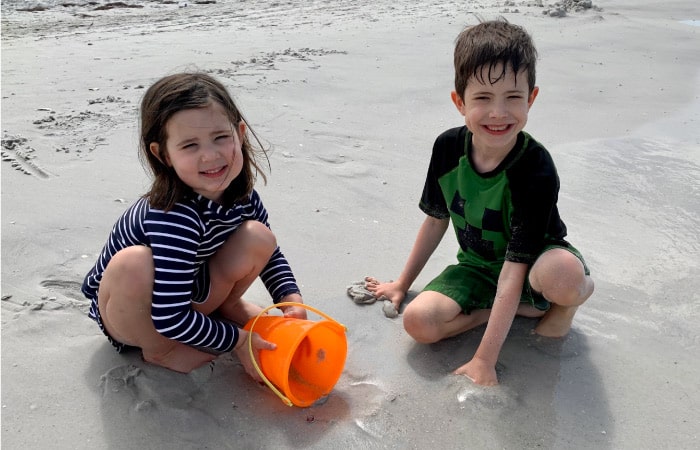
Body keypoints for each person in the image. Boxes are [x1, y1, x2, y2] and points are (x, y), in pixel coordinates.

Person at [366, 19, 594, 386]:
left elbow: (513, 270)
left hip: (534, 263)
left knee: (563, 278)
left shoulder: (534, 167)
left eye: (513, 97)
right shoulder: (447, 148)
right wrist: (401, 283)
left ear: (531, 98)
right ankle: (507, 311)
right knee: (418, 323)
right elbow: (436, 221)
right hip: (477, 266)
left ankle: (565, 300)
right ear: (460, 102)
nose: (498, 113)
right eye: (483, 98)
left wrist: (483, 360)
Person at [81, 72, 307, 379]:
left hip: (184, 292)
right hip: (132, 312)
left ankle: (225, 308)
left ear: (239, 134)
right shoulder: (173, 215)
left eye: (220, 137)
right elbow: (168, 316)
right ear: (163, 155)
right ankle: (161, 350)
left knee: (259, 238)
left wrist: (290, 299)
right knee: (133, 264)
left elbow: (271, 257)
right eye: (190, 145)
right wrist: (238, 341)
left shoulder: (242, 195)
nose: (210, 155)